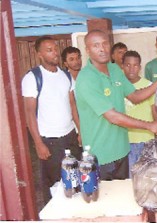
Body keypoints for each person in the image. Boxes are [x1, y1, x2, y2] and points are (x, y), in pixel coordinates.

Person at [75, 30, 157, 180]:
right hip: (100, 154)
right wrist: (150, 125)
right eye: (96, 45)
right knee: (104, 200)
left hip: (122, 150)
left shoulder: (114, 69)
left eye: (105, 44)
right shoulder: (86, 78)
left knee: (123, 197)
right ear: (88, 50)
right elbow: (112, 116)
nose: (102, 48)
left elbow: (135, 96)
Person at [21, 36, 81, 204]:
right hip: (50, 141)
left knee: (74, 180)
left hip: (70, 137)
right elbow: (29, 113)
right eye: (49, 50)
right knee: (54, 185)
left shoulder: (66, 76)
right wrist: (38, 143)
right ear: (40, 54)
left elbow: (72, 105)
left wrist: (79, 130)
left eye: (55, 49)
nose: (54, 53)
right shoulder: (33, 78)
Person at [122, 50, 157, 177]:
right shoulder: (117, 86)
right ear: (122, 66)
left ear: (140, 67)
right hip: (125, 142)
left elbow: (154, 111)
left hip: (146, 140)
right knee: (132, 179)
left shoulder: (148, 85)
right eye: (128, 65)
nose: (132, 69)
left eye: (135, 65)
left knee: (149, 177)